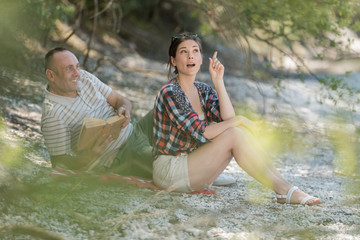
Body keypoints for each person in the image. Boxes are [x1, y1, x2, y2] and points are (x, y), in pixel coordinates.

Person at [152, 33, 321, 205]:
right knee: (234, 132)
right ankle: (284, 191)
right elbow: (201, 131)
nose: (190, 56)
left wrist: (218, 82)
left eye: (195, 51)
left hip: (194, 163)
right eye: (183, 52)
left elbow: (227, 118)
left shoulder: (203, 90)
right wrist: (237, 121)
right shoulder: (171, 92)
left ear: (201, 58)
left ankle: (286, 188)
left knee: (237, 131)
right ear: (173, 60)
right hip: (170, 169)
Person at [41, 47, 153, 178]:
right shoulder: (53, 114)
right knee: (166, 161)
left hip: (136, 130)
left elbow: (119, 99)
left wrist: (124, 109)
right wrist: (90, 156)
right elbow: (59, 165)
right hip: (123, 155)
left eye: (77, 66)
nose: (77, 73)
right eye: (68, 68)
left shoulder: (85, 78)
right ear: (51, 75)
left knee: (171, 107)